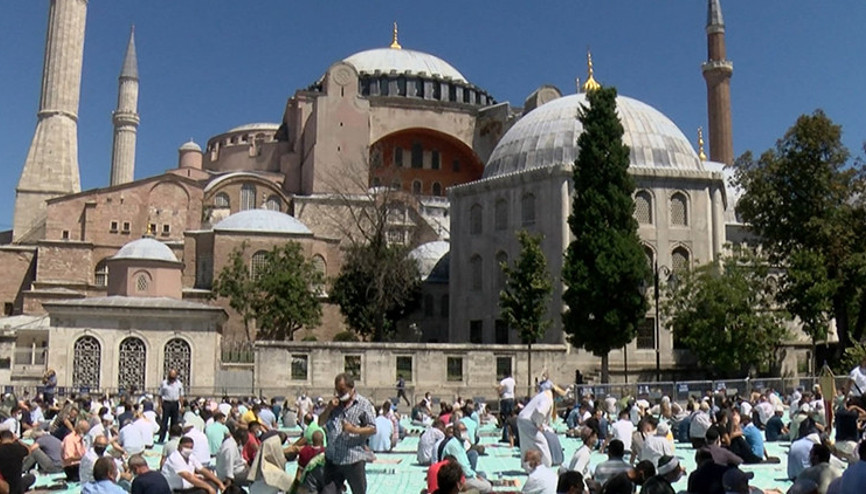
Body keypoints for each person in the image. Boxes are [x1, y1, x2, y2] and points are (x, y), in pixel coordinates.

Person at [318, 373, 377, 494]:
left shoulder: (363, 404)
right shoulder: (334, 405)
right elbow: (320, 422)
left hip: (353, 459)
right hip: (333, 459)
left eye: (342, 390)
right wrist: (328, 409)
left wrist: (354, 430)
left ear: (351, 388)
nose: (340, 394)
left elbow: (372, 428)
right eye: (337, 390)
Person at [518, 384, 566, 468]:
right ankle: (545, 466)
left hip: (524, 420)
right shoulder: (548, 399)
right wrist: (538, 424)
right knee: (542, 445)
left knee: (527, 446)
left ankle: (528, 466)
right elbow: (539, 412)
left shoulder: (545, 395)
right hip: (529, 422)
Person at [441, 422, 492, 493]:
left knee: (482, 474)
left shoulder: (461, 443)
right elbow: (463, 468)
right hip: (458, 478)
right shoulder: (454, 445)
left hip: (465, 474)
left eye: (465, 430)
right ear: (456, 432)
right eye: (462, 430)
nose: (465, 432)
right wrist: (474, 476)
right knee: (488, 487)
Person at [0, 430, 36, 494]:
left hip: (3, 486)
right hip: (17, 487)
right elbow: (29, 450)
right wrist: (18, 440)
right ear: (12, 438)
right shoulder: (18, 448)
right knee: (31, 477)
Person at [157, 369, 184, 443]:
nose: (172, 379)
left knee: (174, 422)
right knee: (164, 422)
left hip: (175, 403)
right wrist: (159, 406)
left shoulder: (179, 384)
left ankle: (172, 438)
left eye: (173, 377)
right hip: (166, 403)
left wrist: (181, 406)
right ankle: (161, 438)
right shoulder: (164, 383)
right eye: (171, 377)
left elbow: (181, 396)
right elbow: (160, 395)